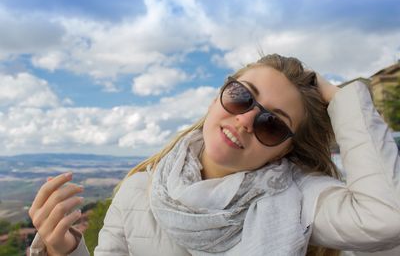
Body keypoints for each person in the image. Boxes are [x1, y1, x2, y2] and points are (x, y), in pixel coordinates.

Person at [29, 54, 400, 256]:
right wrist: (64, 253)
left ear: (285, 150)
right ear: (218, 94)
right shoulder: (138, 192)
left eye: (272, 124)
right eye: (242, 96)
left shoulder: (298, 200)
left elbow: (388, 217)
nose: (245, 121)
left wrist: (340, 97)